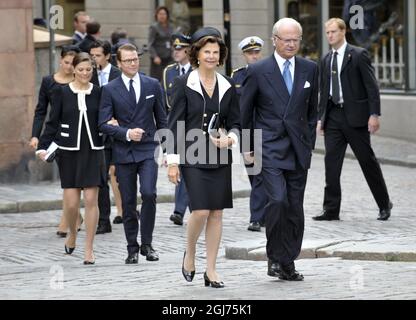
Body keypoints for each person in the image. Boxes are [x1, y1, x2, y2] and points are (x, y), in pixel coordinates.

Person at [240, 18, 319, 281]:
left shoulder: (310, 69)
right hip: (269, 147)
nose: (292, 44)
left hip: (298, 148)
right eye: (286, 39)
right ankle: (275, 256)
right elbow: (246, 112)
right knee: (277, 201)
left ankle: (289, 262)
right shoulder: (259, 70)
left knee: (295, 207)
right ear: (274, 39)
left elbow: (312, 112)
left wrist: (308, 142)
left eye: (296, 39)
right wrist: (248, 146)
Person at [167, 27, 240, 288]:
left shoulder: (228, 85)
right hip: (191, 152)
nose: (211, 56)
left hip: (219, 154)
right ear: (196, 54)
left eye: (215, 52)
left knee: (217, 213)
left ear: (221, 56)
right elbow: (174, 123)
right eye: (206, 51)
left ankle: (211, 269)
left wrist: (230, 139)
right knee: (199, 210)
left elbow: (236, 123)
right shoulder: (183, 83)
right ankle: (189, 251)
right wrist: (172, 161)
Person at [313, 18, 392, 222]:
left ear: (343, 32)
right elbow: (324, 91)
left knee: (367, 162)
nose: (329, 35)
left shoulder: (358, 55)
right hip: (333, 118)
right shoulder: (326, 59)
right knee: (331, 164)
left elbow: (371, 86)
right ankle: (331, 209)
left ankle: (384, 204)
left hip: (356, 118)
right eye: (327, 32)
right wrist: (321, 119)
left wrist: (374, 114)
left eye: (333, 32)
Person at [99, 43, 167, 264]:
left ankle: (147, 243)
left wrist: (169, 151)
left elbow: (162, 120)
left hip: (148, 149)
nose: (133, 63)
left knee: (149, 193)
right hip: (124, 152)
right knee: (128, 201)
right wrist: (126, 133)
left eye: (135, 59)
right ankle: (132, 247)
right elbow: (102, 124)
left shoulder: (152, 85)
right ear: (118, 63)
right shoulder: (109, 89)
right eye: (127, 60)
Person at [37, 52, 106, 265]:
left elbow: (106, 118)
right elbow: (52, 122)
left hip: (94, 150)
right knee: (72, 204)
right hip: (69, 151)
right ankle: (73, 234)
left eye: (89, 70)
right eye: (81, 69)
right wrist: (42, 146)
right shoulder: (62, 92)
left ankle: (89, 249)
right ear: (73, 69)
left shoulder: (100, 93)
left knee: (92, 200)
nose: (85, 73)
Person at [29, 45, 83, 237]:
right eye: (67, 62)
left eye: (73, 63)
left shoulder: (81, 80)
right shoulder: (48, 82)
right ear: (60, 60)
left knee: (73, 179)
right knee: (67, 178)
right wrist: (36, 135)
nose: (69, 67)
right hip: (56, 135)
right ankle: (71, 217)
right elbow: (41, 110)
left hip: (79, 135)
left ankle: (70, 218)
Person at [231, 36, 267, 232]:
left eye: (256, 52)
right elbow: (233, 106)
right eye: (249, 53)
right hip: (246, 130)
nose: (253, 56)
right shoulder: (237, 76)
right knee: (253, 174)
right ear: (244, 55)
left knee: (260, 174)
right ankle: (265, 212)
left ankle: (256, 217)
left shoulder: (269, 72)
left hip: (265, 129)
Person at [89, 40, 123, 234]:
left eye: (98, 55)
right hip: (98, 135)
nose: (94, 59)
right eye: (91, 55)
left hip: (118, 133)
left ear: (107, 56)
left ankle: (128, 211)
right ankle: (104, 220)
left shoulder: (118, 75)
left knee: (122, 176)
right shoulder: (87, 74)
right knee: (101, 179)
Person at [162, 33, 192, 226]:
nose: (176, 51)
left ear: (189, 50)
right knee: (179, 165)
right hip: (175, 124)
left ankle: (184, 209)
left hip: (193, 124)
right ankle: (181, 210)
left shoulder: (197, 70)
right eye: (175, 48)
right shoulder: (169, 71)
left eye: (180, 48)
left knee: (189, 167)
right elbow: (167, 100)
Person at [148, 6, 174, 81]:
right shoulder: (154, 27)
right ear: (157, 15)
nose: (162, 16)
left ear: (167, 15)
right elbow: (150, 44)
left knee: (169, 78)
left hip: (169, 56)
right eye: (160, 14)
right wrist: (155, 56)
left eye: (164, 14)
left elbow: (172, 41)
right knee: (158, 79)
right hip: (158, 58)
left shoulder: (170, 26)